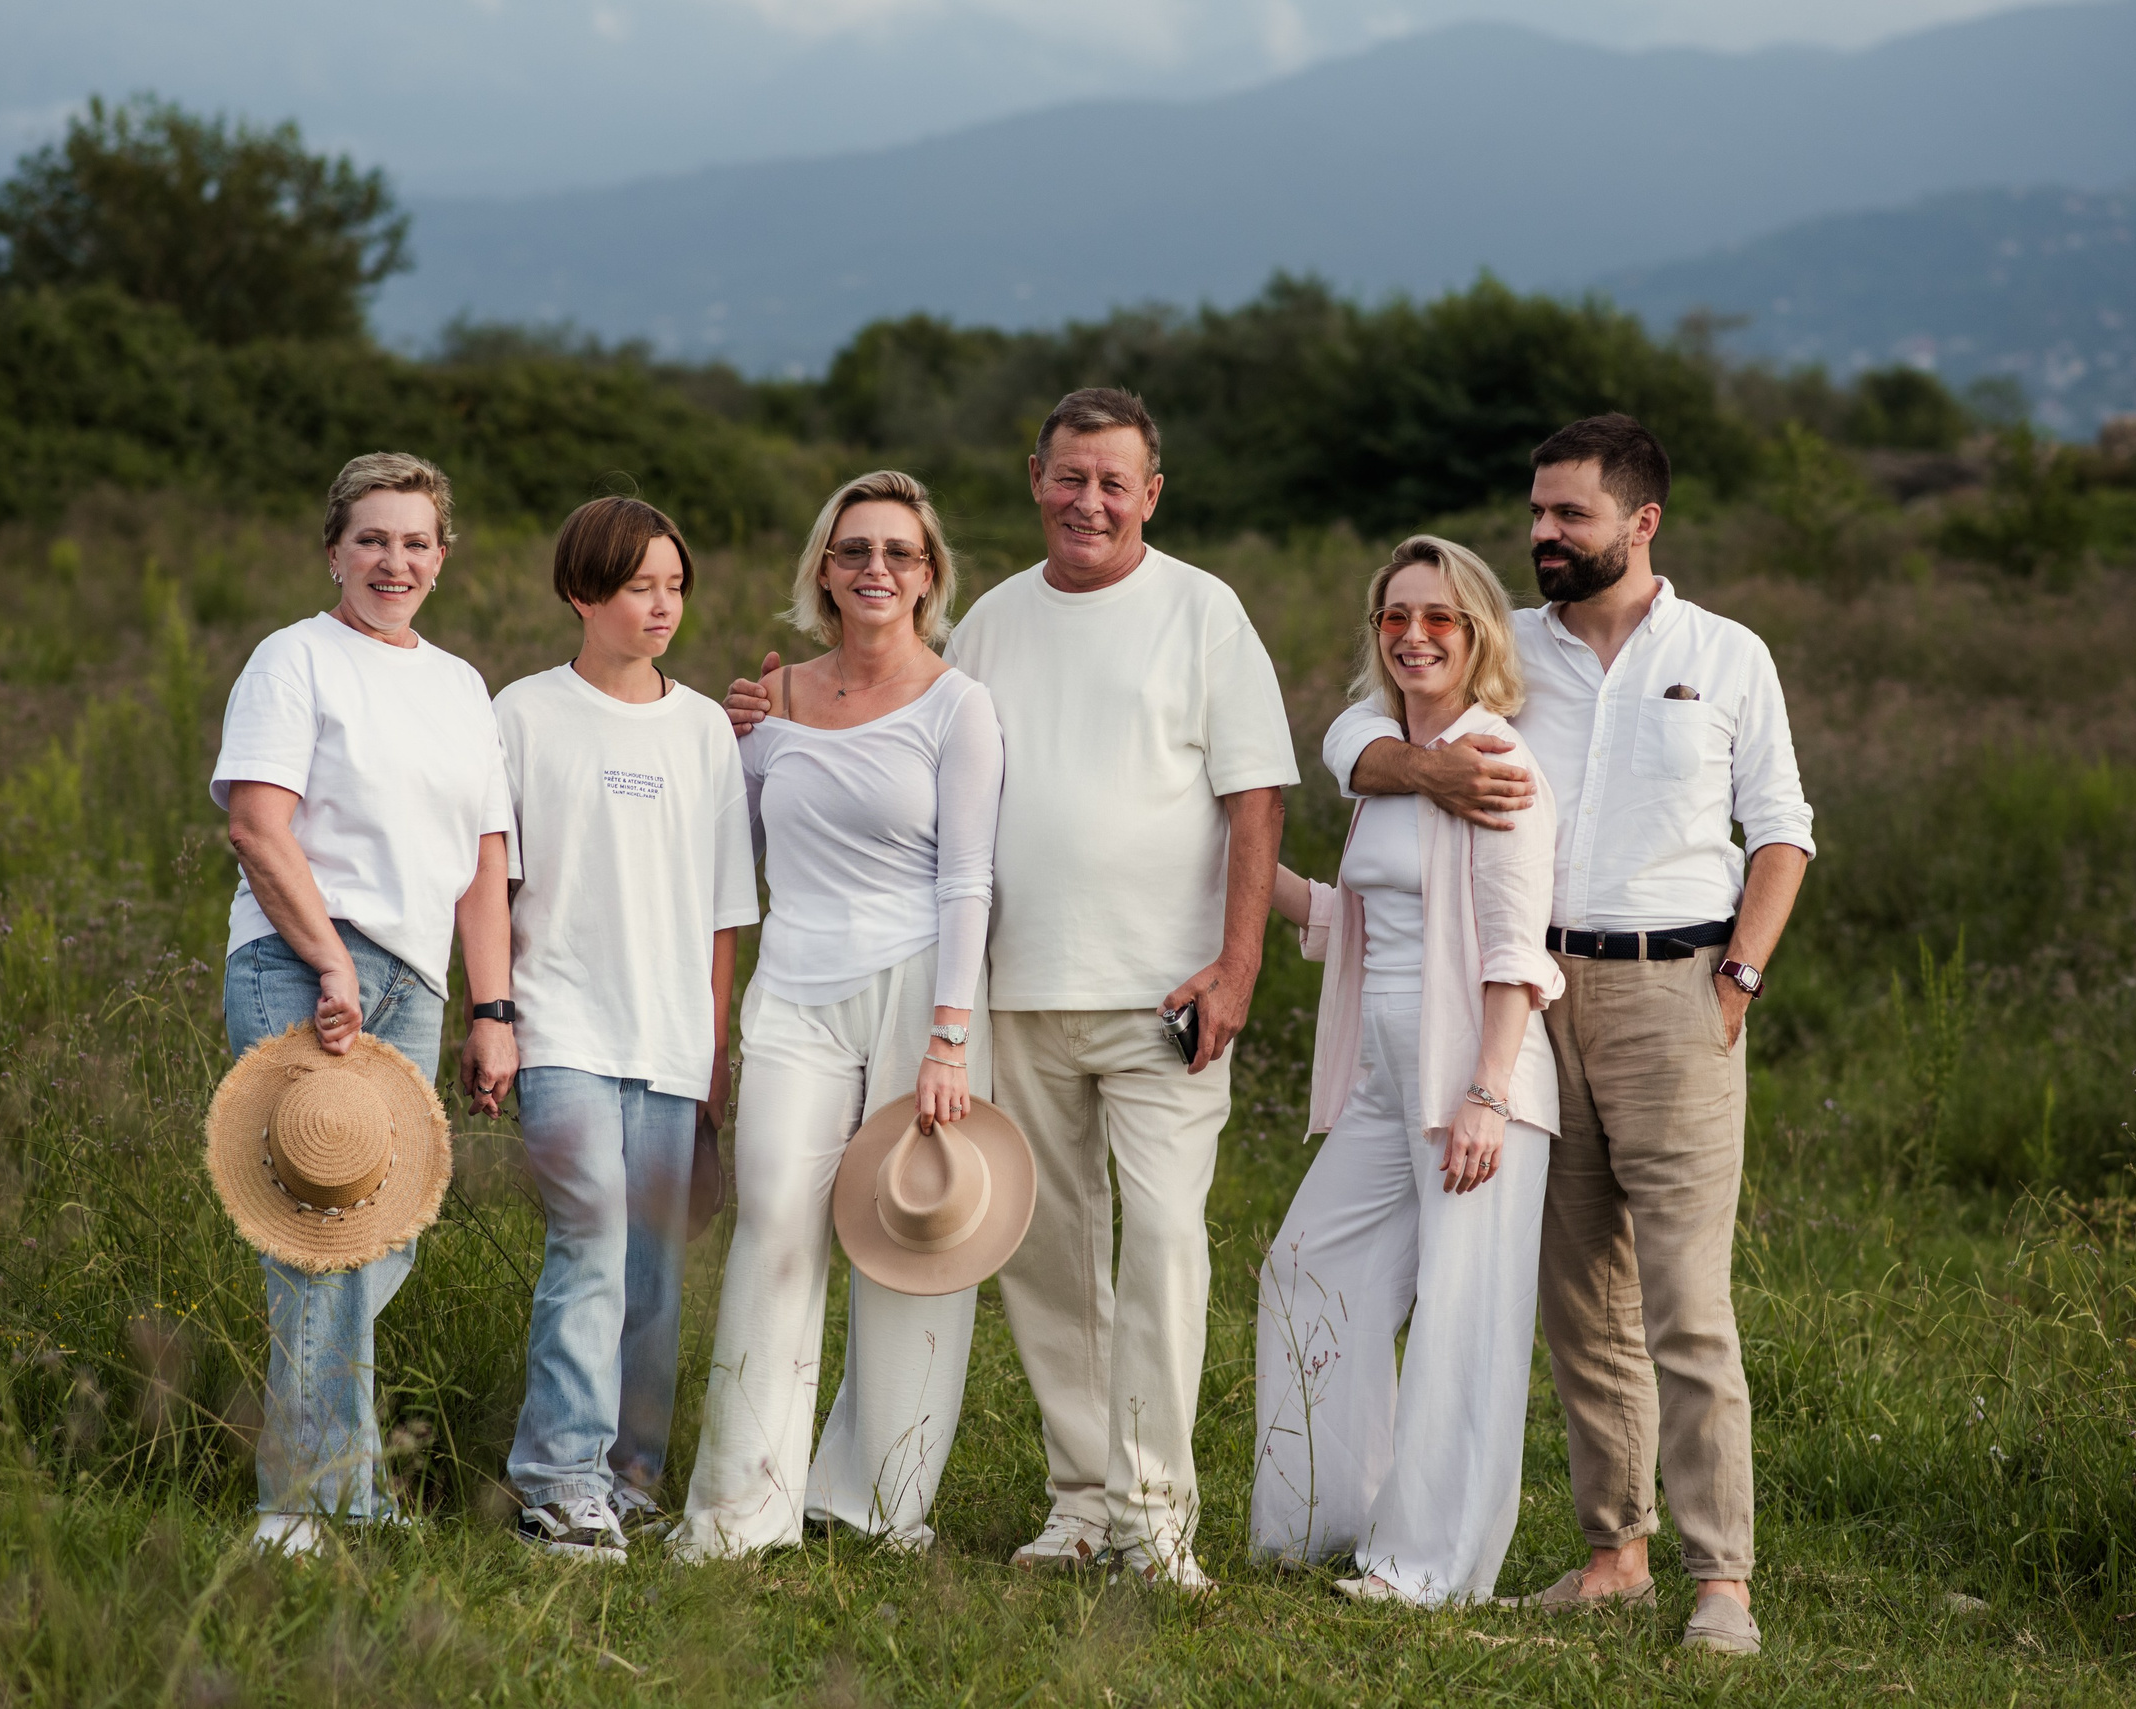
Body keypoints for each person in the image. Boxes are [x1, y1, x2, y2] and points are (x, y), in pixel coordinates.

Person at [726, 389, 1296, 1592]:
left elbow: (1254, 797)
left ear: (1152, 493)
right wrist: (771, 714)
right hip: (1016, 992)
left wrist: (1239, 964)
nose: (1088, 500)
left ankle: (1157, 1519)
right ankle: (1081, 1498)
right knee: (1044, 1258)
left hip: (1167, 995)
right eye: (1068, 476)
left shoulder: (1203, 610)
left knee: (1165, 1249)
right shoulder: (989, 617)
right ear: (1035, 477)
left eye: (1114, 481)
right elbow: (903, 721)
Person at [1322, 414, 1813, 1654]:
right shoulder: (1510, 653)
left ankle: (1722, 1579)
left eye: (1568, 515)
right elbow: (1350, 733)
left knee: (1684, 1298)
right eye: (1535, 512)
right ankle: (1615, 1549)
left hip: (1674, 987)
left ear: (1641, 522)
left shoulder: (1725, 653)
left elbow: (1783, 830)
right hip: (1532, 992)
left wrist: (1737, 977)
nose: (1541, 534)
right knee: (1578, 1292)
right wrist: (1417, 772)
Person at [675, 470, 1002, 1559]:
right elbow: (740, 858)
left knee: (911, 1235)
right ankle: (739, 1508)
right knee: (775, 1222)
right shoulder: (772, 704)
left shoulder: (960, 705)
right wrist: (730, 745)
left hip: (921, 989)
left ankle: (877, 1499)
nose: (875, 568)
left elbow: (968, 880)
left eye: (899, 552)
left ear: (929, 575)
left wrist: (948, 1034)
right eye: (854, 549)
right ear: (822, 567)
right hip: (796, 988)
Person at [211, 451, 517, 1556]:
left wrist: (496, 1008)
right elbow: (258, 824)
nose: (396, 560)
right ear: (335, 548)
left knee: (374, 1239)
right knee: (316, 1232)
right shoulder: (293, 660)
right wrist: (328, 965)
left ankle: (326, 1476)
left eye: (417, 540)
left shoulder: (460, 683)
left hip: (415, 980)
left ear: (443, 554)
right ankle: (310, 1501)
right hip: (304, 965)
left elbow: (484, 861)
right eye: (374, 539)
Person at [1252, 536, 1563, 1607]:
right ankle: (1325, 1520)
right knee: (1307, 1268)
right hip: (1387, 1082)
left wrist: (1487, 1090)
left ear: (1478, 635)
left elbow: (1514, 948)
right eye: (1395, 617)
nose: (1414, 635)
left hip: (1473, 1086)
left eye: (1439, 618)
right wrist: (1249, 876)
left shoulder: (1496, 763)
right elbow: (1369, 924)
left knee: (1460, 1323)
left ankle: (1428, 1567)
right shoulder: (1385, 760)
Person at [495, 497, 759, 1561]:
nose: (663, 605)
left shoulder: (701, 727)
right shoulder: (520, 713)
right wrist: (495, 1016)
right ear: (582, 592)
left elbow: (721, 910)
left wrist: (713, 1054)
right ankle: (557, 1484)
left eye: (675, 585)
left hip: (669, 1039)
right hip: (557, 1025)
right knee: (591, 1243)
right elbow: (491, 882)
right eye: (641, 584)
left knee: (653, 1268)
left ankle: (629, 1478)